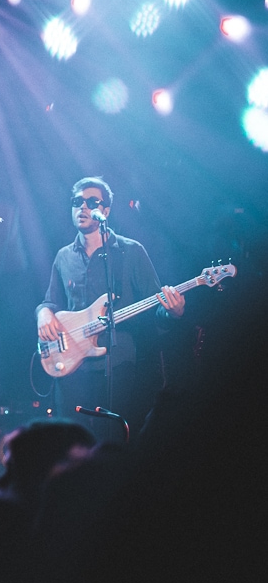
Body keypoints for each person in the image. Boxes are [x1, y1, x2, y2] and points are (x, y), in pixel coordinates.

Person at [36, 176, 185, 441]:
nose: (82, 207)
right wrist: (43, 313)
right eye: (76, 202)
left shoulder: (131, 251)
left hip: (118, 366)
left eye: (91, 202)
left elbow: (156, 308)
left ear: (105, 210)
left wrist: (174, 311)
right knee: (72, 445)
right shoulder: (63, 256)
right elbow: (51, 302)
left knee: (114, 443)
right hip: (73, 370)